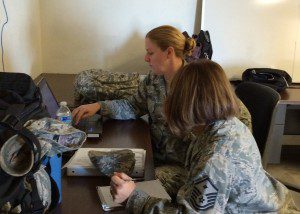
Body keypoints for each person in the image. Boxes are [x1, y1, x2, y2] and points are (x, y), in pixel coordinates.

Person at [72, 25, 252, 197]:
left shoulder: (198, 82)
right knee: (104, 169)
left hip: (187, 168)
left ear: (169, 52)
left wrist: (222, 154)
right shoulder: (155, 80)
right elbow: (134, 106)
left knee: (136, 184)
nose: (145, 58)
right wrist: (99, 106)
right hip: (154, 155)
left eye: (150, 52)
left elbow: (239, 118)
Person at [110, 59, 298, 213]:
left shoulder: (216, 158)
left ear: (188, 102)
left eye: (174, 95)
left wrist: (133, 198)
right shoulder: (221, 124)